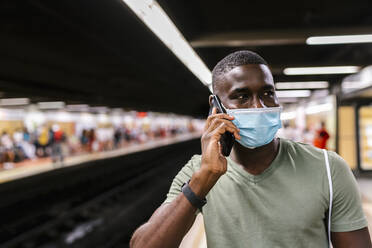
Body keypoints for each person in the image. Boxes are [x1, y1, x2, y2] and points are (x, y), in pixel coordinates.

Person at [129, 51, 371, 247]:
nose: (259, 106)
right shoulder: (198, 171)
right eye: (242, 97)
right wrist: (202, 182)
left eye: (268, 93)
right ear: (217, 106)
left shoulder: (329, 168)